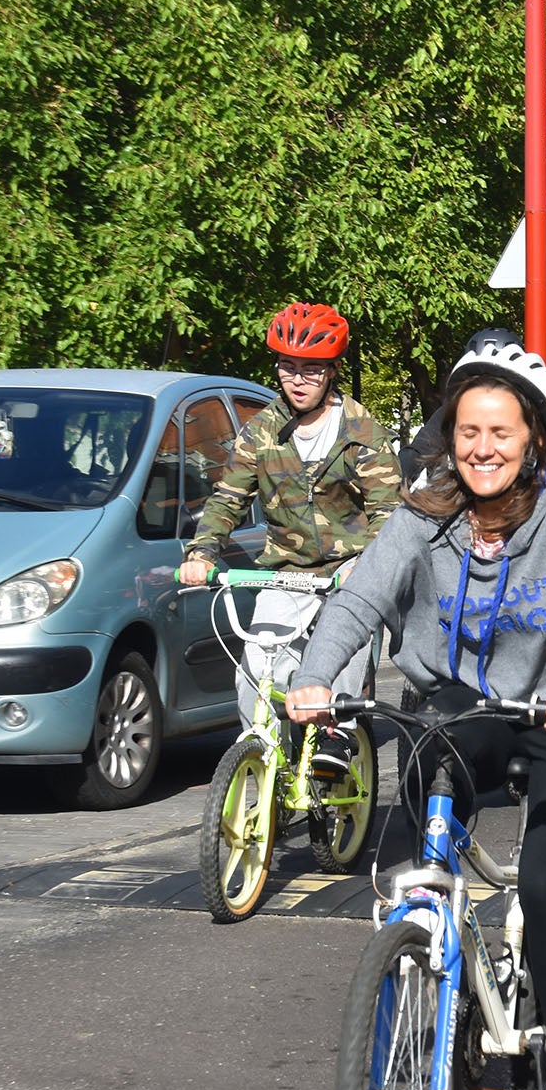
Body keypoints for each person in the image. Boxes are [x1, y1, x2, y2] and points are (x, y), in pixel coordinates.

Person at [284, 339, 546, 1090]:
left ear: (535, 440)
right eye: (466, 430)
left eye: (501, 432)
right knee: (407, 864)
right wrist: (312, 679)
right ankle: (420, 986)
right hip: (462, 710)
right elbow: (362, 596)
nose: (481, 448)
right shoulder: (425, 510)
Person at [178, 301, 401, 779]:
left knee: (343, 655)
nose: (298, 380)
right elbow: (227, 498)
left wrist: (367, 565)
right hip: (289, 572)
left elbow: (390, 514)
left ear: (332, 372)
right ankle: (261, 768)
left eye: (311, 370)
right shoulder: (262, 431)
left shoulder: (361, 432)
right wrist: (201, 550)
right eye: (288, 368)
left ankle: (336, 741)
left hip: (352, 572)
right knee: (257, 670)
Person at [400, 326, 525, 484]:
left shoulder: (532, 413)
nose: (483, 451)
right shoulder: (452, 409)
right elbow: (419, 452)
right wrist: (393, 483)